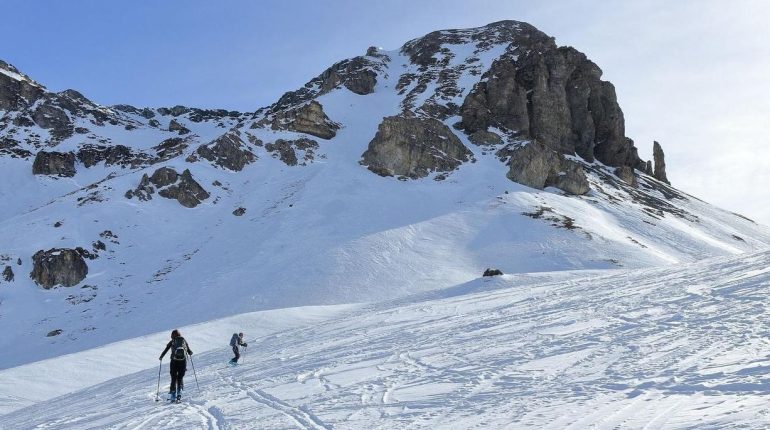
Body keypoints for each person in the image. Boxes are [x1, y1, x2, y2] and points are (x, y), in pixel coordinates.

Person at [159, 329, 193, 400]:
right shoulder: (183, 340)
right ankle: (179, 393)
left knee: (173, 377)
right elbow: (189, 351)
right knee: (180, 377)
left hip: (174, 362)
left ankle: (173, 395)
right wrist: (190, 353)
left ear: (172, 335)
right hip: (183, 361)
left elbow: (166, 349)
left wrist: (161, 357)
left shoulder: (172, 341)